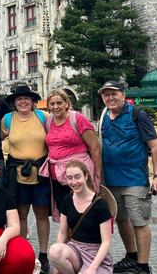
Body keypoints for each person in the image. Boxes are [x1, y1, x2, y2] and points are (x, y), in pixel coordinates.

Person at [99, 81, 157, 274]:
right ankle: (131, 256)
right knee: (121, 220)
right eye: (106, 95)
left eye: (114, 94)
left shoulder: (137, 115)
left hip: (135, 179)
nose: (110, 98)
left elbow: (155, 146)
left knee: (139, 222)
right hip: (111, 181)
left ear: (123, 95)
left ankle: (143, 267)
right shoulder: (104, 117)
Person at [0, 84, 51, 273]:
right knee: (20, 215)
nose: (22, 101)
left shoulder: (42, 117)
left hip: (40, 173)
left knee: (41, 214)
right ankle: (22, 253)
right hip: (17, 174)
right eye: (19, 99)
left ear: (32, 101)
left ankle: (43, 255)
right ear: (14, 102)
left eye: (26, 98)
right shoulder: (7, 120)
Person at [41, 89, 101, 224]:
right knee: (66, 215)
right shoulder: (49, 121)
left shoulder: (77, 119)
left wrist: (97, 172)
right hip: (57, 176)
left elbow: (95, 146)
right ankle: (69, 243)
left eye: (59, 103)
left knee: (84, 213)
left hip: (79, 174)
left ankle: (86, 243)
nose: (55, 107)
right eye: (52, 104)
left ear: (67, 103)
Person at [48, 160, 114, 274]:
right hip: (75, 249)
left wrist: (93, 268)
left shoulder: (100, 204)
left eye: (77, 177)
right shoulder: (67, 200)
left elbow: (106, 241)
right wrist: (57, 267)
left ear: (86, 176)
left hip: (96, 252)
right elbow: (63, 233)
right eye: (70, 178)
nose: (74, 182)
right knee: (54, 250)